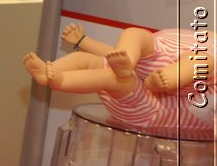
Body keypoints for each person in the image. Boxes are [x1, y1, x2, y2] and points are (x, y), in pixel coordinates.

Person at [24, 24, 211, 137]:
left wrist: (167, 79)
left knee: (111, 78)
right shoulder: (204, 40)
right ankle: (51, 70)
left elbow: (201, 67)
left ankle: (61, 80)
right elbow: (113, 53)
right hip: (146, 64)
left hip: (151, 107)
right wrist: (83, 41)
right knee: (126, 38)